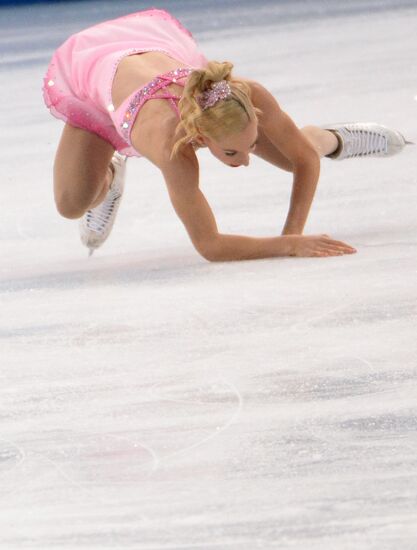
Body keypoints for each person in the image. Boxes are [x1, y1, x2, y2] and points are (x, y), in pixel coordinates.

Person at [42, 8, 410, 260]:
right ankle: (109, 173)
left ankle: (328, 137)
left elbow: (302, 161)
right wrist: (286, 247)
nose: (247, 161)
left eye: (249, 145)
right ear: (200, 138)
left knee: (290, 152)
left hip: (151, 57)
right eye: (233, 154)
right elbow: (210, 246)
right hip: (93, 77)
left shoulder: (240, 93)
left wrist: (292, 234)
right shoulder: (171, 147)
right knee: (72, 204)